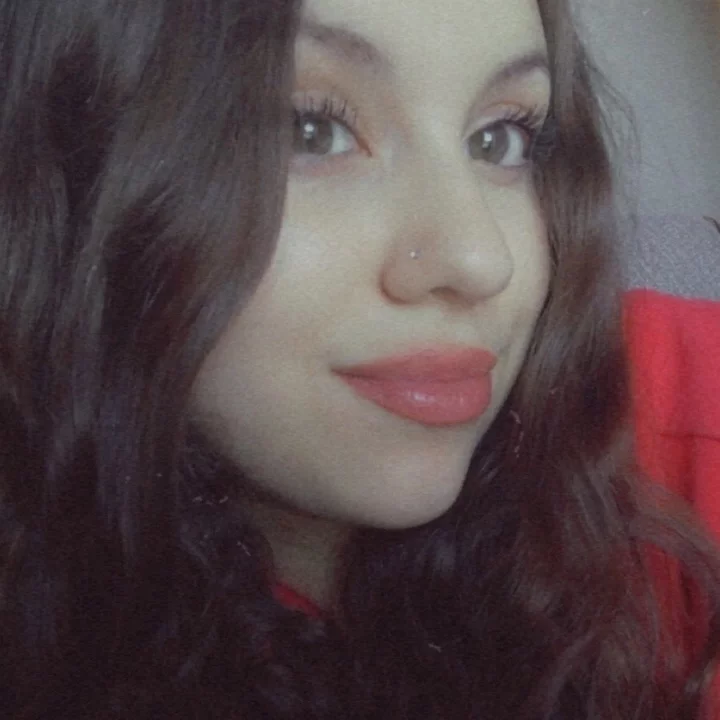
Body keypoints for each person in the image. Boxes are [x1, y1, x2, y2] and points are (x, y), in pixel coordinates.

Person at [0, 0, 718, 718]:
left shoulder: (671, 402)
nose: (479, 260)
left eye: (500, 138)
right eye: (309, 130)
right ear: (76, 161)